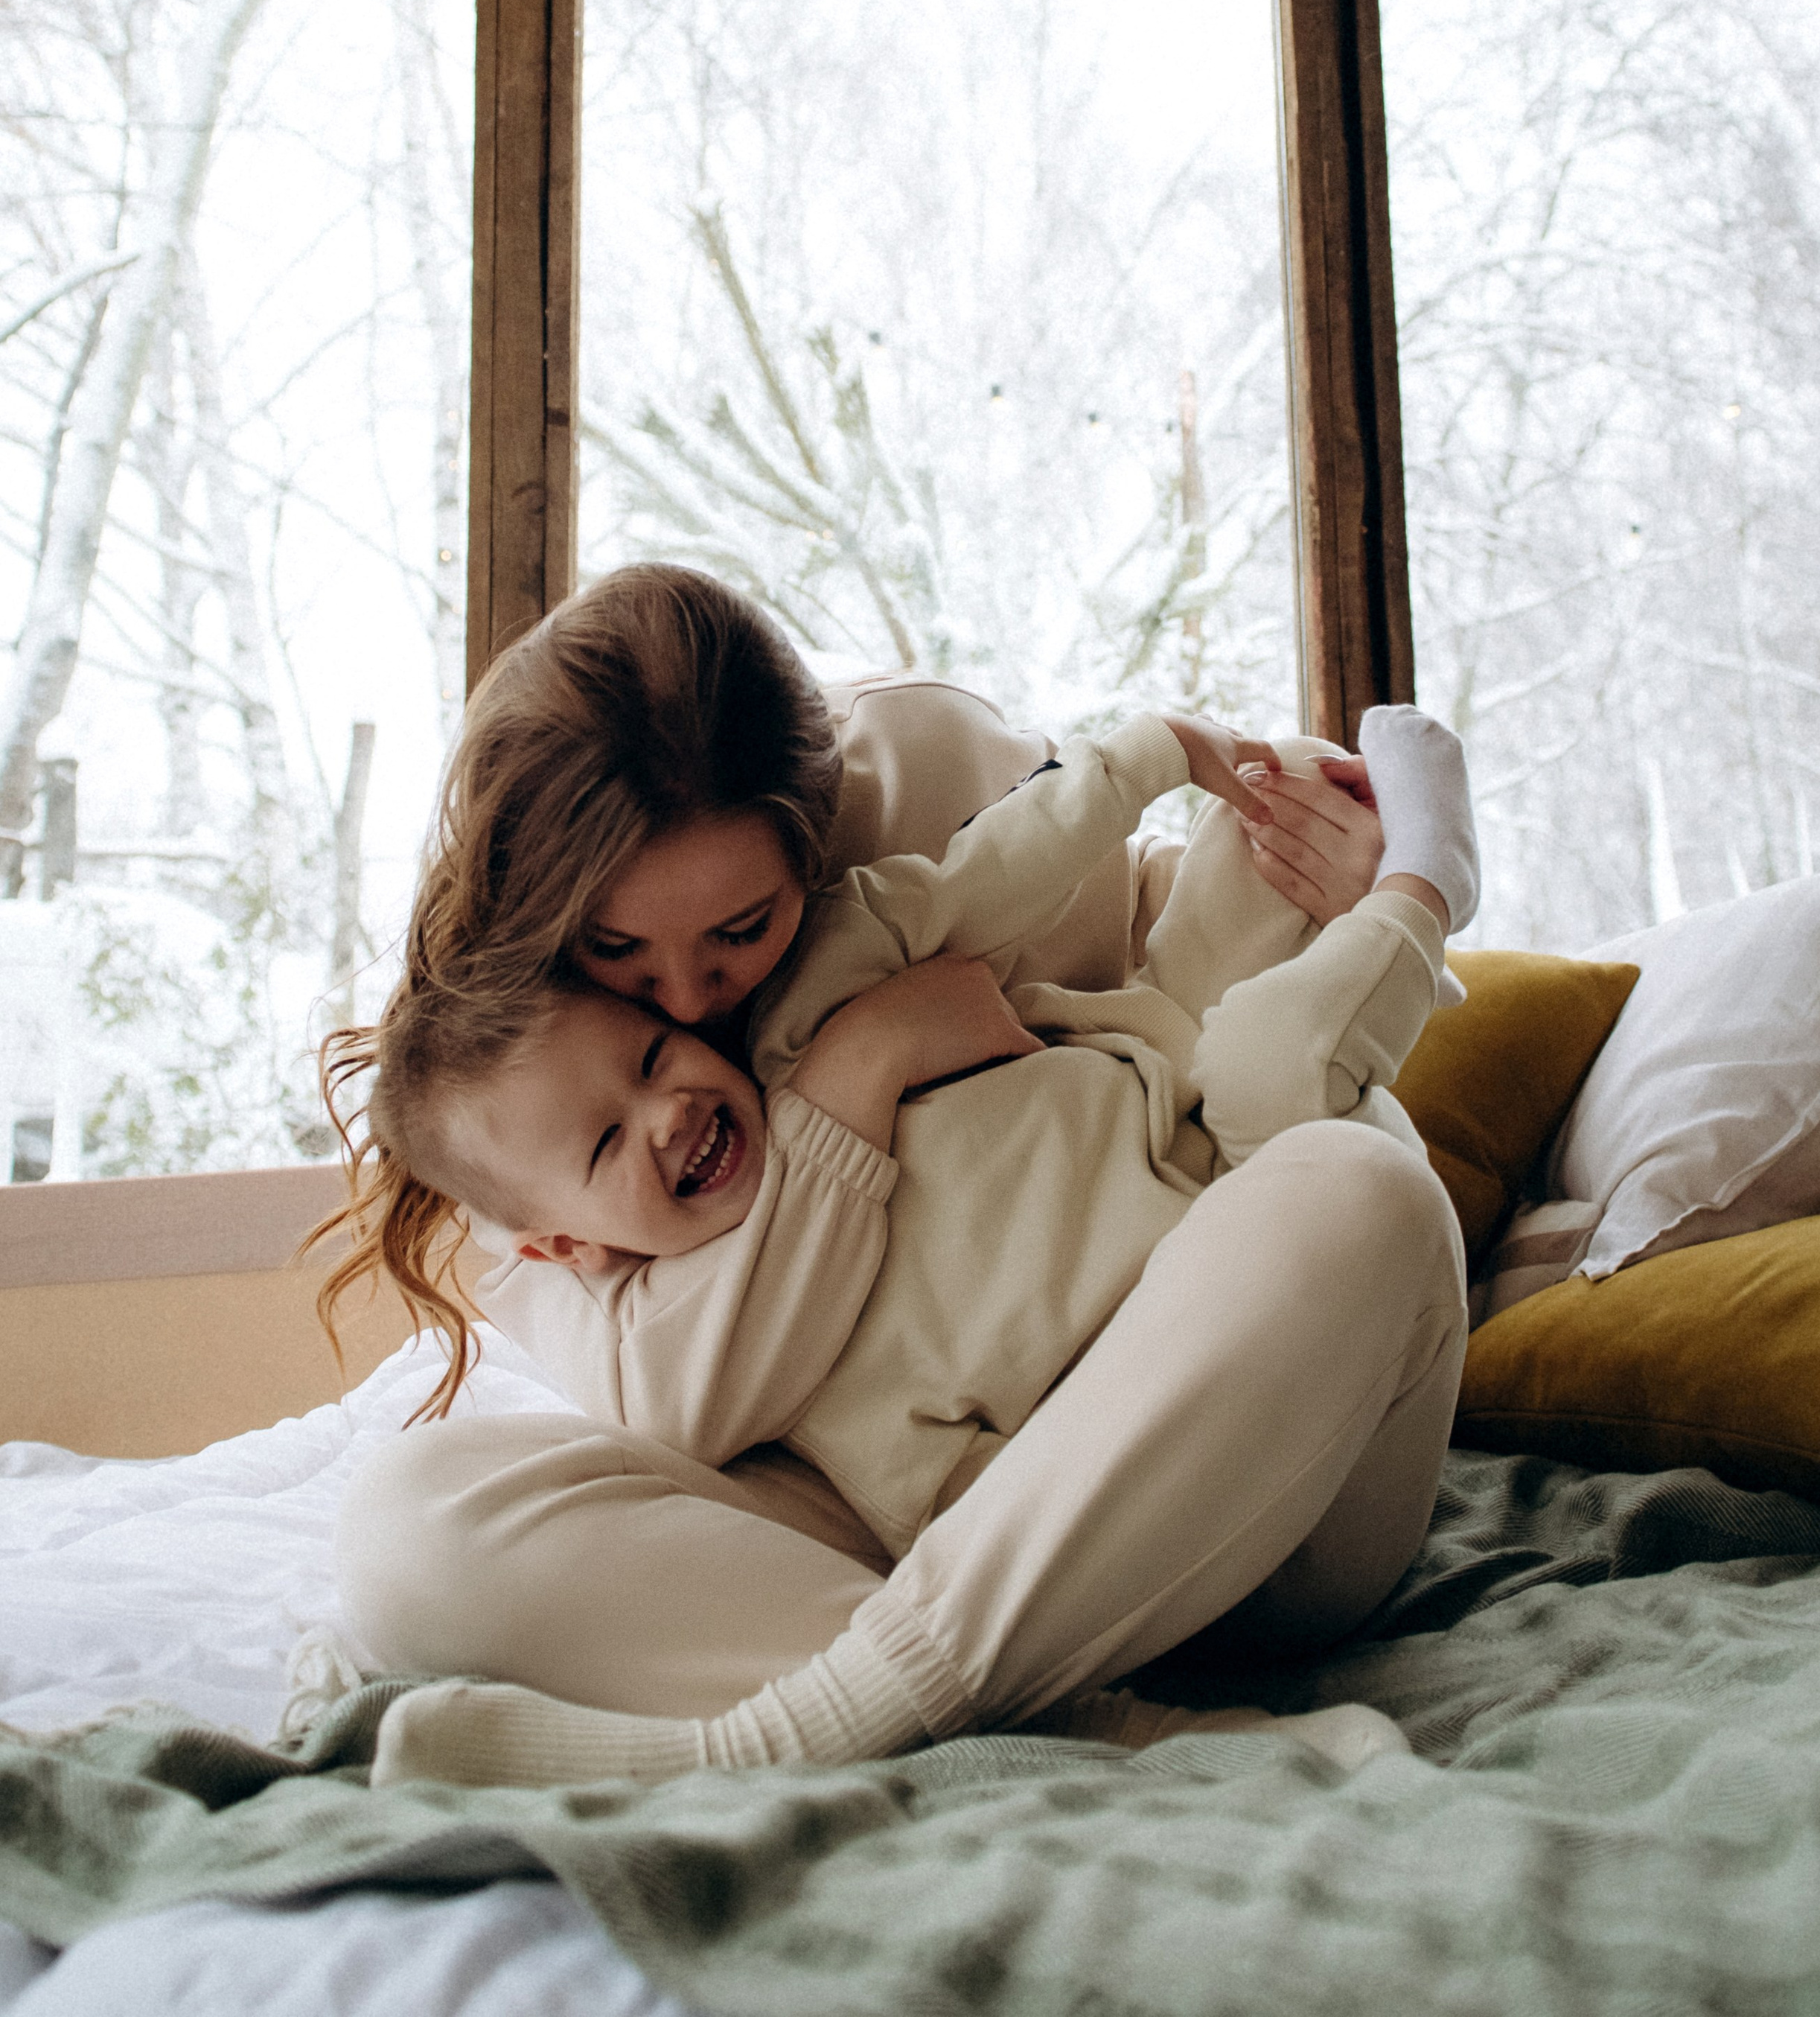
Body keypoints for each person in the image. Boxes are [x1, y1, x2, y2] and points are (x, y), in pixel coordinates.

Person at [325, 567, 1472, 1790]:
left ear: (815, 842)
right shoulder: (505, 1075)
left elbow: (1164, 946)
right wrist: (857, 1068)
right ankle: (1073, 1726)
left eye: (741, 932)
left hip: (1241, 1483)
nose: (689, 1000)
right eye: (618, 954)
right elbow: (691, 1408)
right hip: (911, 1510)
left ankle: (795, 1731)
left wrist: (1330, 886)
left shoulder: (921, 792)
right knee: (409, 1527)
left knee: (1360, 1187)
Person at [375, 707, 1468, 1568]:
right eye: (609, 1144)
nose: (685, 1009)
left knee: (1268, 805)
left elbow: (980, 881)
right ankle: (1428, 889)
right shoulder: (727, 1337)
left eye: (657, 1052)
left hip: (1166, 1091)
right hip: (1223, 1325)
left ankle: (1397, 878)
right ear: (569, 1243)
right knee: (1280, 1072)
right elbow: (983, 1509)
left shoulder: (814, 979)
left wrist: (1156, 754)